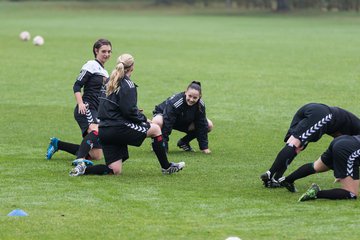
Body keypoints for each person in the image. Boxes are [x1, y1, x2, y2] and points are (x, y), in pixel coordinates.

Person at [69, 53, 185, 176]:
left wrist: (133, 113)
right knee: (156, 129)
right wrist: (145, 119)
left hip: (104, 129)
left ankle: (83, 170)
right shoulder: (128, 85)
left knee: (115, 170)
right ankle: (166, 167)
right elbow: (130, 112)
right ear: (132, 67)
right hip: (118, 128)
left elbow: (113, 107)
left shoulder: (109, 81)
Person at [260, 103, 360, 188]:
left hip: (312, 108)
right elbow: (343, 154)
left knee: (296, 147)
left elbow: (339, 150)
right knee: (295, 144)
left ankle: (275, 178)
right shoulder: (356, 135)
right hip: (323, 114)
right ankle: (270, 174)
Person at [45, 39, 112, 164]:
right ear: (96, 51)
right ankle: (79, 160)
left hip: (96, 111)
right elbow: (77, 86)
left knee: (96, 155)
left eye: (109, 51)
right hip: (86, 108)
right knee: (95, 129)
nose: (106, 54)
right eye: (103, 51)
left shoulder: (105, 72)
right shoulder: (91, 65)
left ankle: (57, 144)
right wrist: (81, 103)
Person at [286, 135, 360, 201]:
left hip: (342, 140)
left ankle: (287, 180)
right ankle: (316, 193)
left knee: (316, 166)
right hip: (348, 149)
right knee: (351, 193)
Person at [151, 81, 213, 154]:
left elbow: (201, 124)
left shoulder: (200, 105)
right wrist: (164, 148)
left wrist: (204, 148)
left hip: (182, 120)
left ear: (200, 96)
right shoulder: (175, 102)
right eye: (189, 96)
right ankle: (157, 144)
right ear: (185, 92)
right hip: (165, 117)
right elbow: (167, 123)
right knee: (157, 122)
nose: (191, 99)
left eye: (195, 98)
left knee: (208, 125)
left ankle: (184, 142)